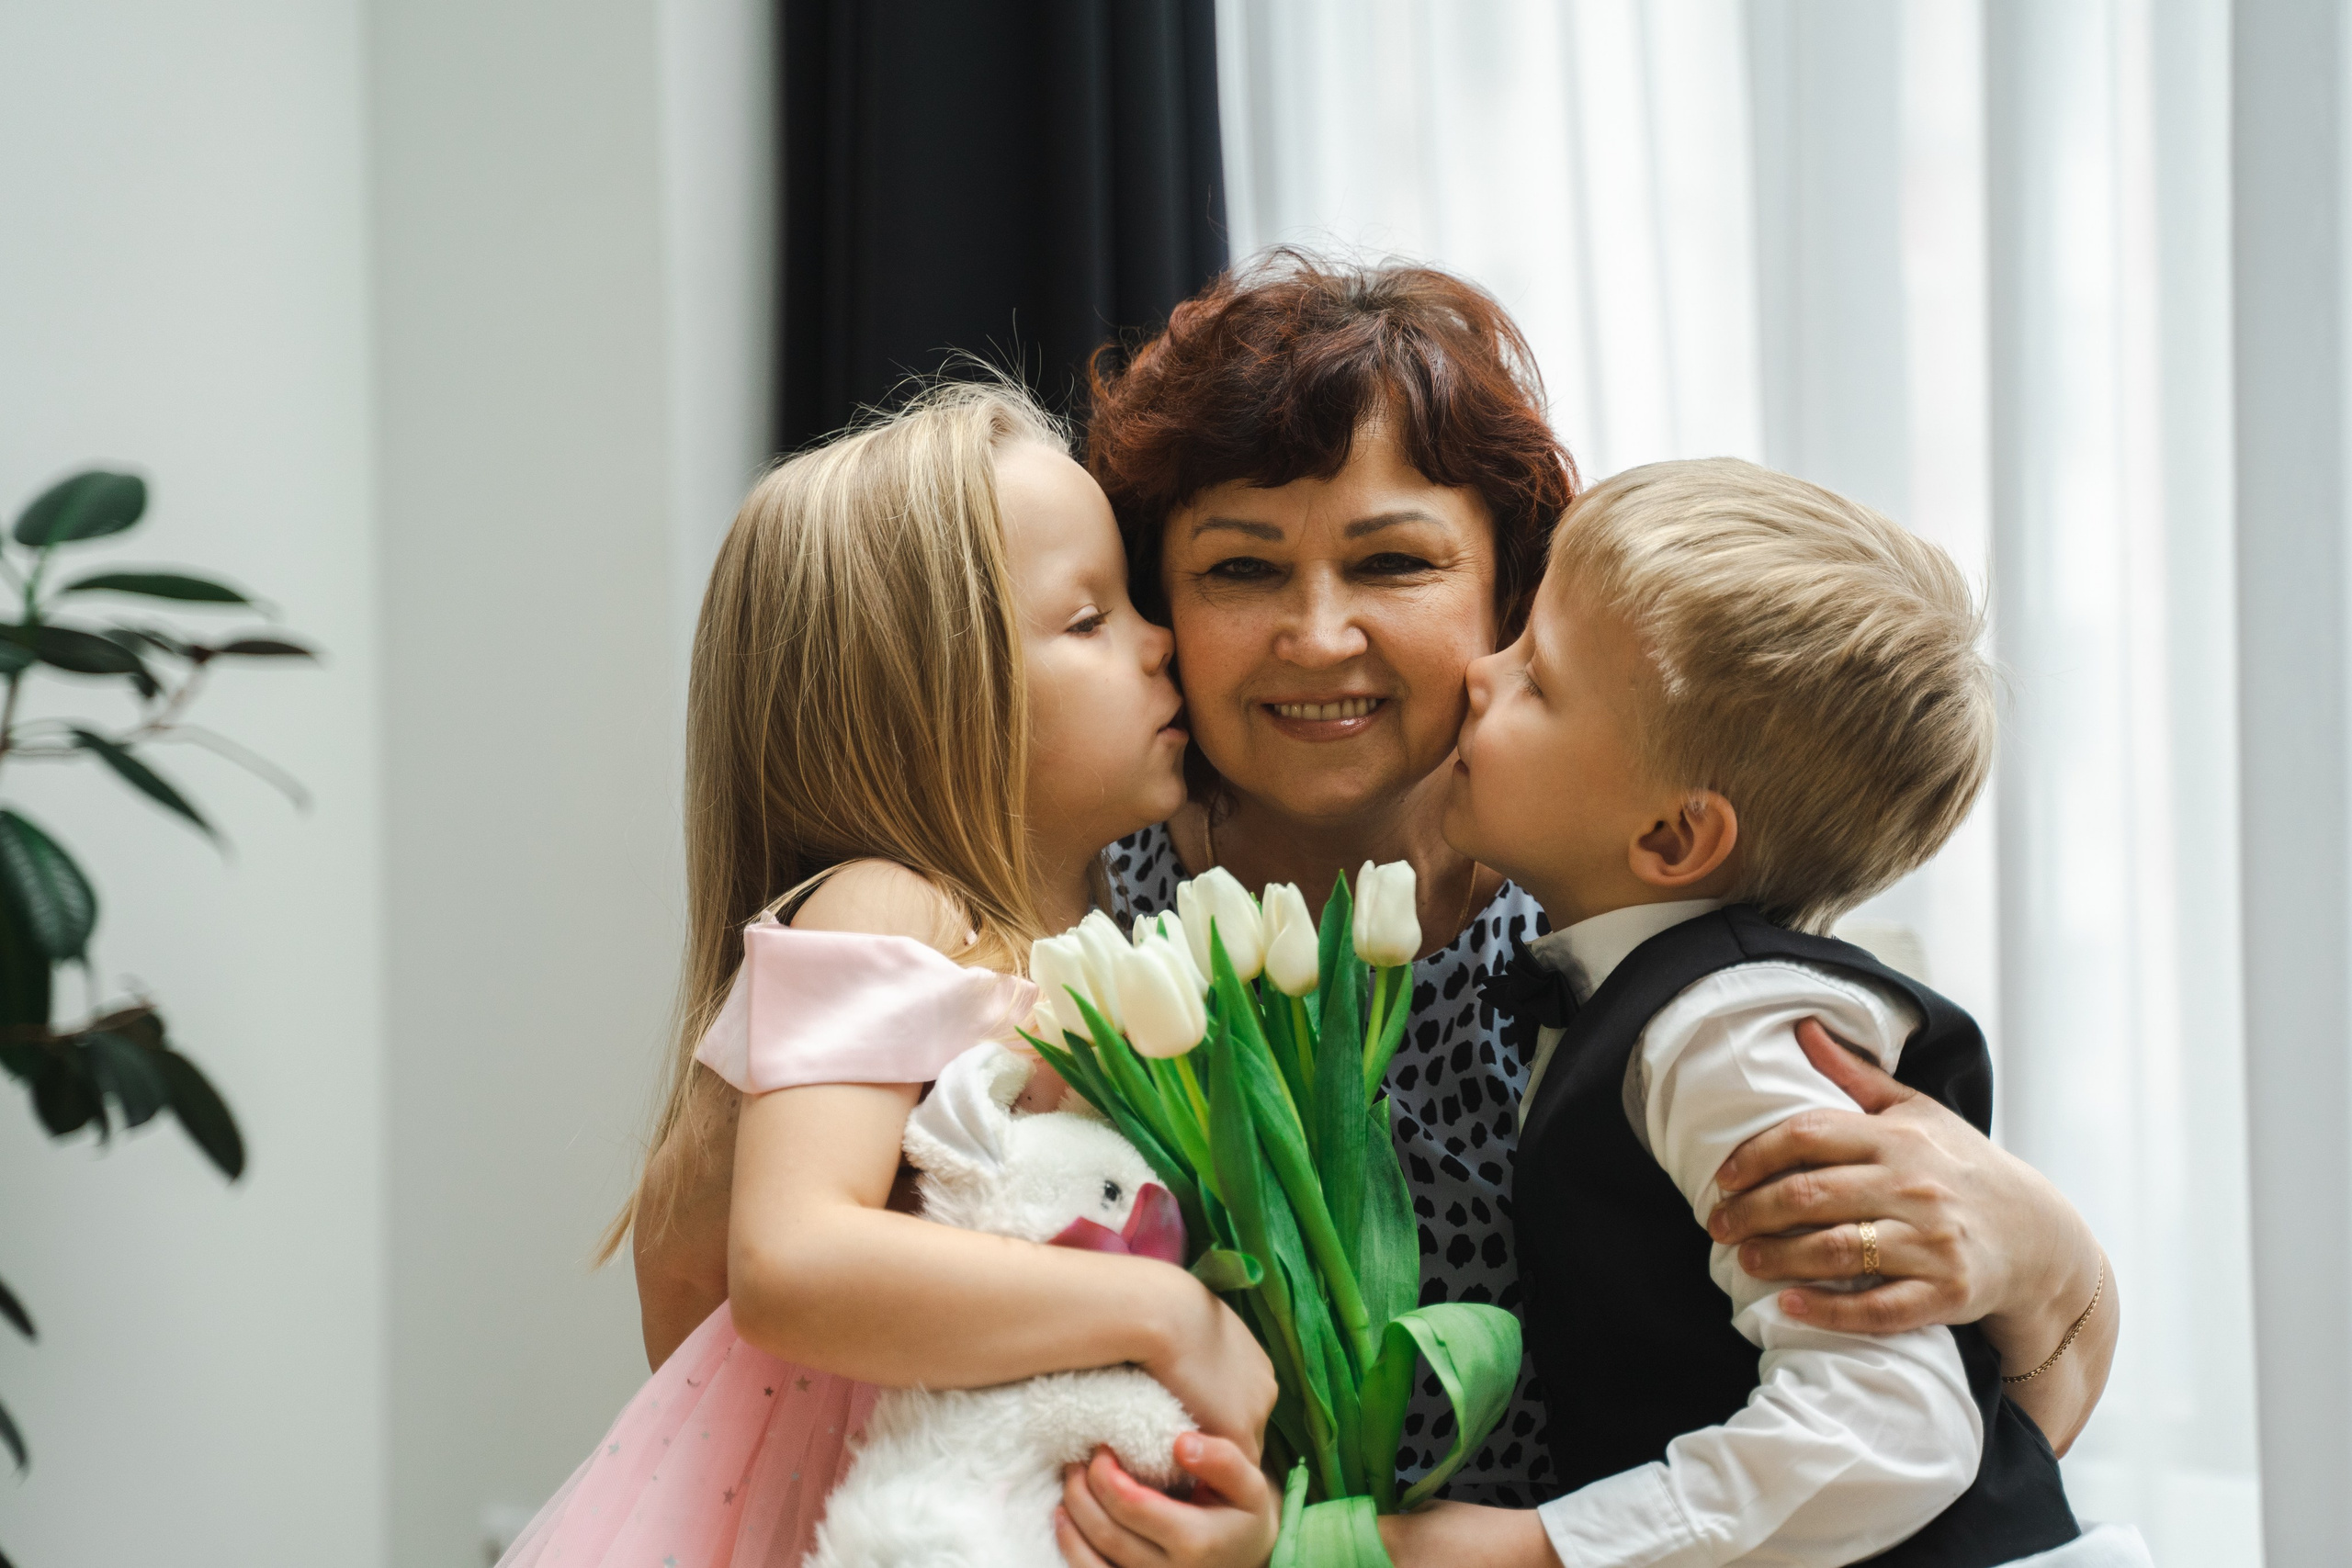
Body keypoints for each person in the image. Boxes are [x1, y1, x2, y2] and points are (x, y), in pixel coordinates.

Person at [1054, 253, 2116, 1551]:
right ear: (1160, 601)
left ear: (1507, 591)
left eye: (1392, 562)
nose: (1318, 633)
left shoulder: (1656, 943)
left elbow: (1951, 1444)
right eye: (1240, 569)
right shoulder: (1075, 911)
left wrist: (2055, 1251)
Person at [501, 383, 1282, 1568]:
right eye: (1089, 620)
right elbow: (788, 1265)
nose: (1160, 635)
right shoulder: (895, 907)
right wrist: (1167, 1314)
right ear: (937, 701)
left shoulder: (1121, 939)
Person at [1384, 457, 2143, 1566]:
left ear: (1672, 840)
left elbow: (1890, 1428)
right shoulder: (1666, 1002)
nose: (1478, 679)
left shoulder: (1727, 1034)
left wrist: (1538, 1551)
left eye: (1535, 678)